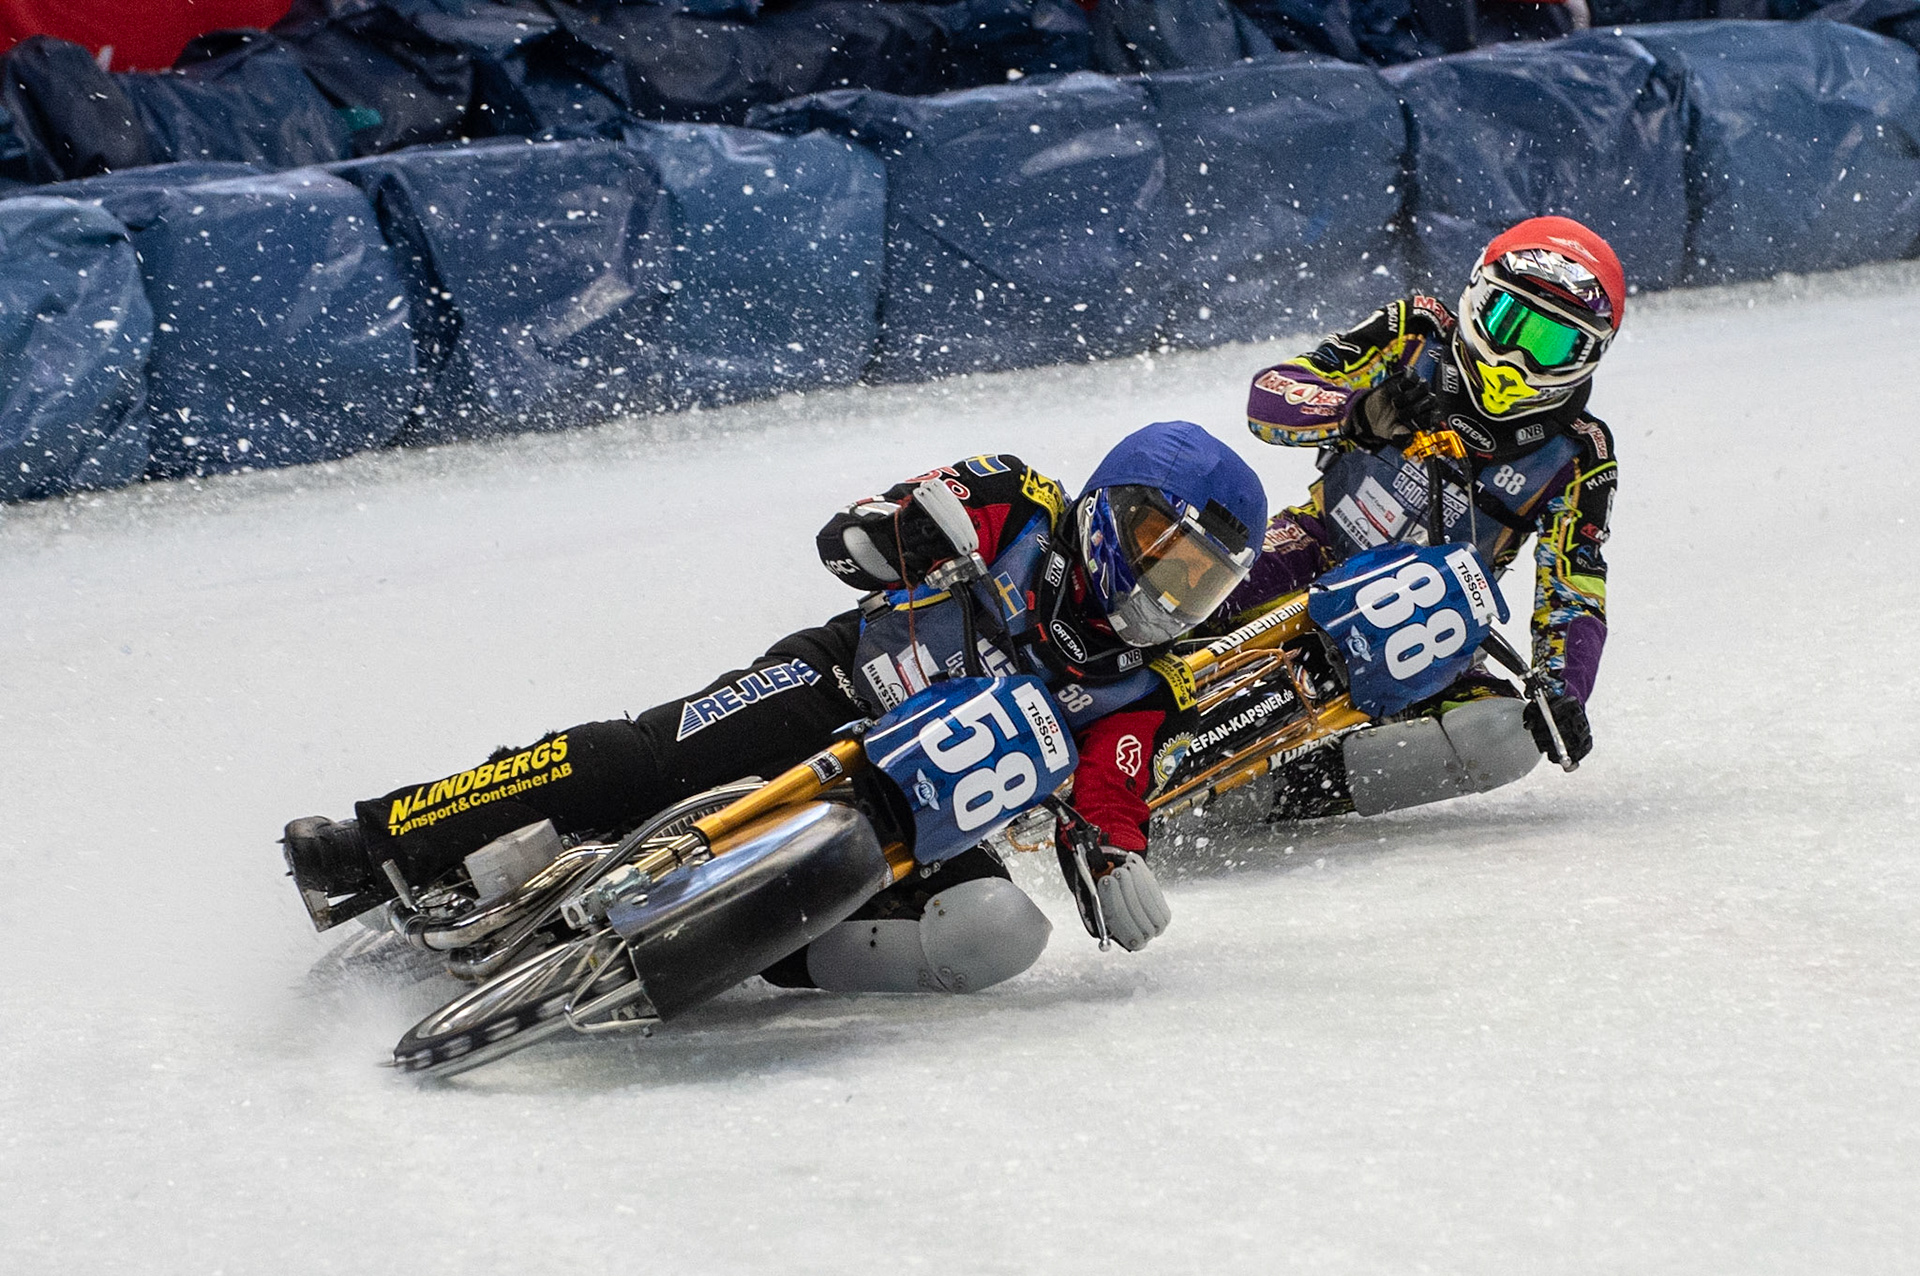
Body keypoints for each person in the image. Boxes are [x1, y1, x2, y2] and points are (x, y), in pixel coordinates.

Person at [284, 420, 1267, 992]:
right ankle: (382, 835)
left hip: (917, 816)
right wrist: (893, 538)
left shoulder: (1145, 684)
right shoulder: (1018, 498)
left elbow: (1110, 796)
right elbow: (850, 541)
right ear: (1109, 506)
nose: (1160, 592)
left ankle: (743, 952)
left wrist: (1114, 857)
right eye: (1156, 547)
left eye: (1195, 583)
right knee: (640, 759)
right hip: (834, 687)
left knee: (992, 930)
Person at [1216, 215, 1620, 818]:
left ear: (1587, 356)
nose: (1515, 357)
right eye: (1509, 322)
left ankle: (1268, 799)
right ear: (1478, 297)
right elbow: (1273, 392)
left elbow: (1573, 589)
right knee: (1196, 579)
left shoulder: (1581, 452)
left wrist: (1564, 693)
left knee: (1505, 737)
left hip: (1431, 625)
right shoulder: (1415, 330)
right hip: (1319, 546)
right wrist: (1358, 411)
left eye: (1550, 344)